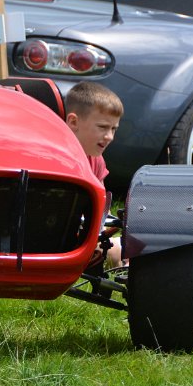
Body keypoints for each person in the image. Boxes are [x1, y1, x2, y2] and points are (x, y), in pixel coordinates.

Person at [65, 81, 124, 265]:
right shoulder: (56, 158)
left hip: (81, 240)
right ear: (73, 122)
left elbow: (99, 213)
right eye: (103, 127)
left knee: (128, 250)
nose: (110, 137)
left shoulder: (96, 161)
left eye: (114, 129)